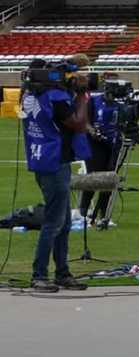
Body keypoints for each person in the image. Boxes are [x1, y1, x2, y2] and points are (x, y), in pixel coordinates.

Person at [21, 55, 92, 293]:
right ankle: (39, 275)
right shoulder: (56, 96)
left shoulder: (30, 94)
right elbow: (78, 124)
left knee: (63, 223)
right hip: (55, 161)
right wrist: (82, 95)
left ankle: (62, 273)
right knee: (54, 223)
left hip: (42, 157)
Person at [79, 82, 121, 227]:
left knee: (109, 179)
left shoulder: (121, 103)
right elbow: (84, 121)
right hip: (95, 143)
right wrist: (92, 131)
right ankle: (83, 213)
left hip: (115, 143)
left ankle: (104, 215)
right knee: (93, 177)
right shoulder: (93, 101)